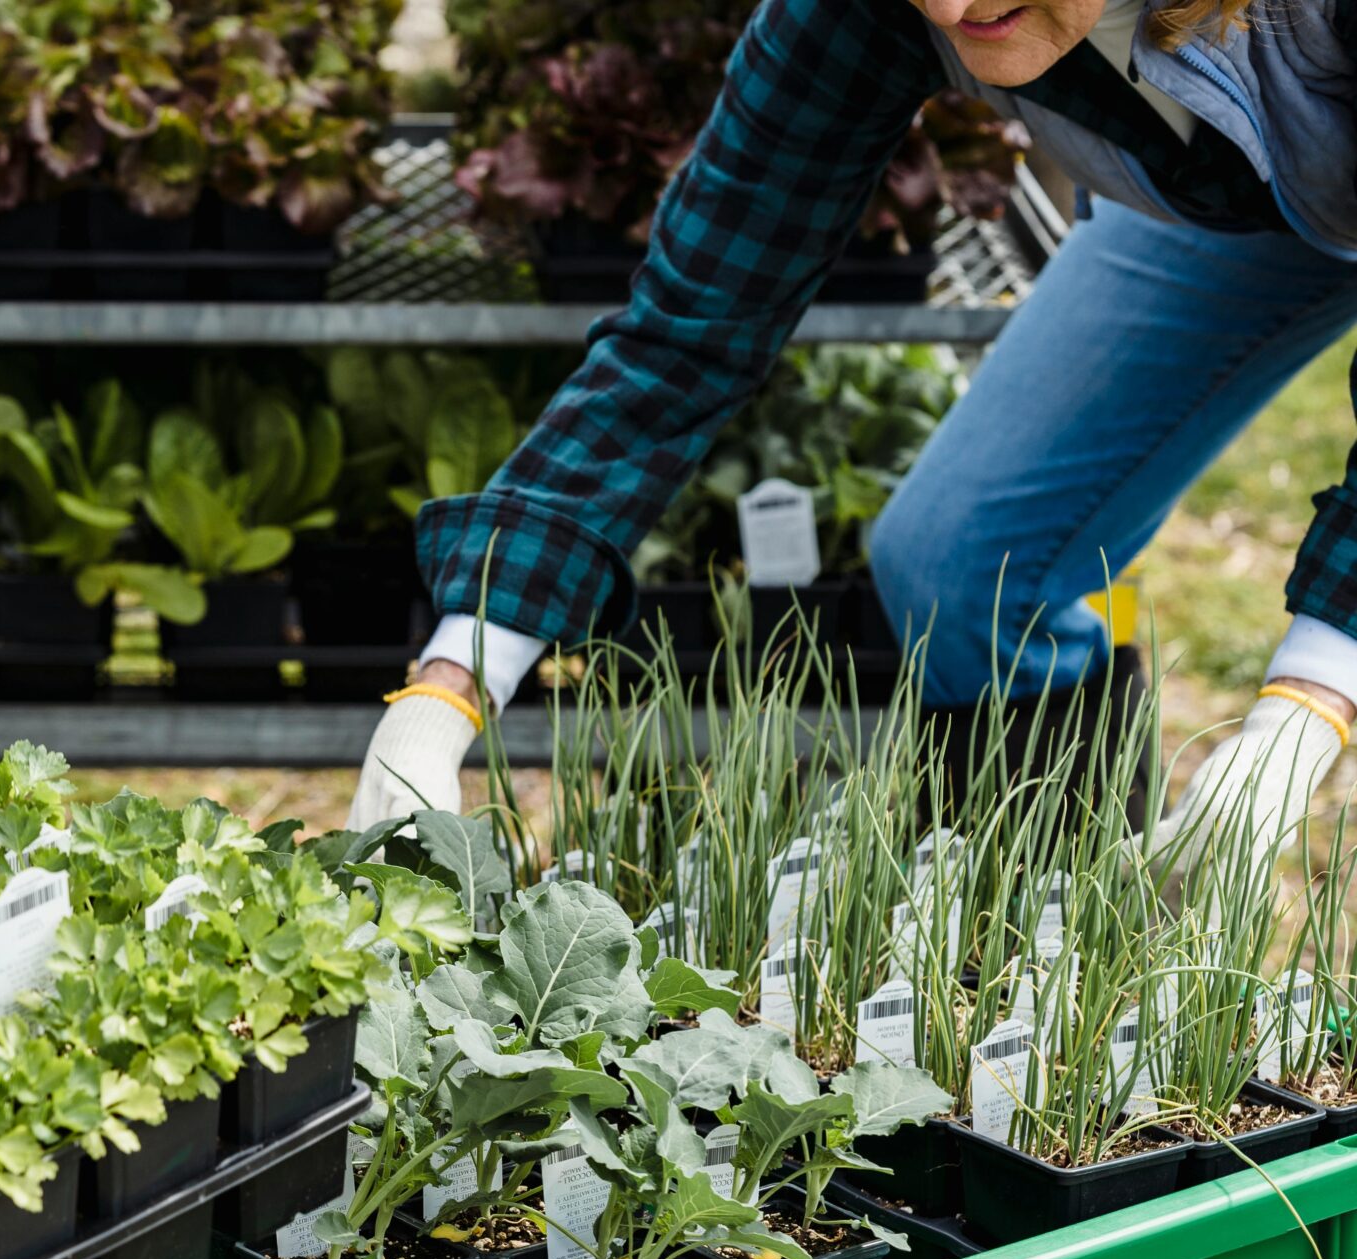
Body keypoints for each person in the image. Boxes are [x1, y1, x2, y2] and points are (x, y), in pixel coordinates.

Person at [351, 0, 1357, 864]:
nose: (958, 4)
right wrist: (445, 692)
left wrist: (1305, 707)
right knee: (963, 560)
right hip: (1230, 206)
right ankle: (1057, 975)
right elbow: (687, 328)